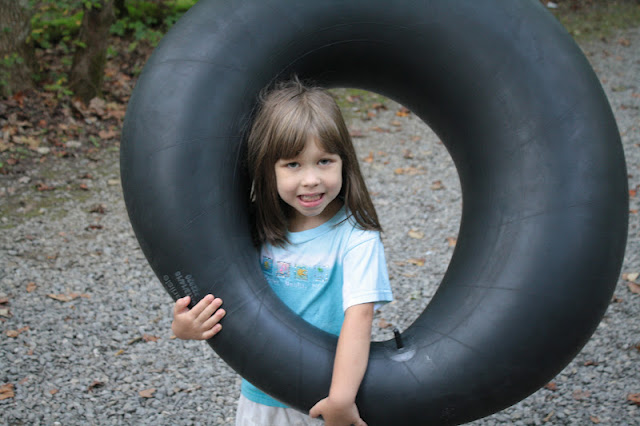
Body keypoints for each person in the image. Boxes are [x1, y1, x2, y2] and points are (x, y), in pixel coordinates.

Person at [171, 78, 393, 426]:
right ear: (268, 169)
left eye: (324, 161)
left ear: (344, 162)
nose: (311, 179)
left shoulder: (356, 238)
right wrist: (184, 325)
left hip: (322, 397)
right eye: (293, 165)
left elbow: (360, 317)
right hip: (259, 394)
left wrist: (341, 398)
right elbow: (213, 288)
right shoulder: (254, 227)